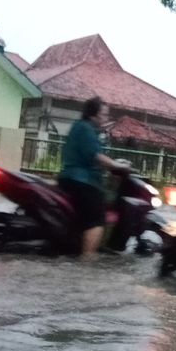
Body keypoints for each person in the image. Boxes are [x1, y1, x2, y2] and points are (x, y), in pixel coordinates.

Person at [58, 96, 129, 258]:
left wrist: (114, 162)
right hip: (82, 181)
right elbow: (96, 156)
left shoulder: (81, 127)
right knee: (96, 219)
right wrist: (117, 166)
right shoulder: (86, 129)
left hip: (68, 178)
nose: (106, 118)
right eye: (104, 114)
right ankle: (88, 259)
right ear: (93, 115)